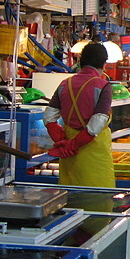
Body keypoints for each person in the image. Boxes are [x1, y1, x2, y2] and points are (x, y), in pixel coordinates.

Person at [43, 42, 115, 188]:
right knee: (96, 199)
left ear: (81, 62)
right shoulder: (103, 86)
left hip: (68, 155)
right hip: (94, 155)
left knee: (70, 196)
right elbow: (96, 123)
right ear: (103, 63)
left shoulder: (65, 84)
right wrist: (73, 145)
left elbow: (49, 118)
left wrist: (64, 143)